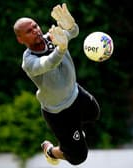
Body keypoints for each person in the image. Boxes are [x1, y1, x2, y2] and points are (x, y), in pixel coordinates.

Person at [13, 3, 100, 166]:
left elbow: (73, 33)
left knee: (94, 113)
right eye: (29, 31)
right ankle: (50, 151)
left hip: (75, 93)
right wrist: (60, 49)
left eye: (35, 26)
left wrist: (71, 25)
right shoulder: (29, 61)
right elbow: (47, 63)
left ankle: (74, 132)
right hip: (58, 112)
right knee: (78, 157)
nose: (36, 31)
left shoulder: (53, 37)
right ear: (20, 39)